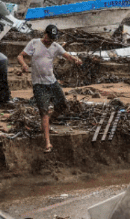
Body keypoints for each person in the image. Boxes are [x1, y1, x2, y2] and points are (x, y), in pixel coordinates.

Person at [17, 24, 82, 153]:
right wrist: (24, 65)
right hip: (39, 84)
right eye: (49, 37)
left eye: (53, 38)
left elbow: (67, 56)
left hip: (52, 82)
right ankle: (47, 143)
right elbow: (20, 55)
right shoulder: (34, 43)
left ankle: (46, 125)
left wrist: (75, 59)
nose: (51, 40)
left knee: (62, 106)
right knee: (44, 111)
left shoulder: (55, 46)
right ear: (45, 34)